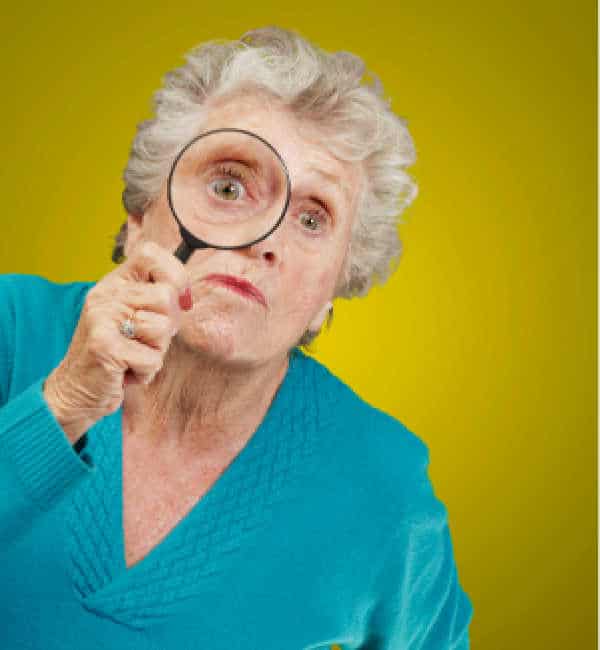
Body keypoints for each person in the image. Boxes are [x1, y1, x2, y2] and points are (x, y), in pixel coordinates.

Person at [0, 26, 473, 649]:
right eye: (228, 186)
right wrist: (63, 404)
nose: (264, 239)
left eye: (312, 218)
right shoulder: (12, 325)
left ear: (329, 296)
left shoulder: (385, 483)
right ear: (140, 219)